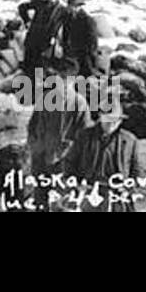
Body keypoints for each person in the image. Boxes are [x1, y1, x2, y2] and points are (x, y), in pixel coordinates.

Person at [26, 57, 92, 211]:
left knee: (63, 204)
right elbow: (33, 125)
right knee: (40, 202)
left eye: (65, 79)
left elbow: (85, 136)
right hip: (41, 159)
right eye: (58, 78)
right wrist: (35, 146)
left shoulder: (79, 104)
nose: (61, 83)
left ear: (73, 81)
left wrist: (71, 155)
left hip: (64, 162)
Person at [64, 102, 142, 212]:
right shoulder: (84, 136)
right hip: (89, 189)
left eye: (114, 120)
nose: (111, 123)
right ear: (100, 117)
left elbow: (136, 170)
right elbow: (69, 162)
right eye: (107, 119)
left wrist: (129, 189)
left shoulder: (130, 140)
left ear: (120, 121)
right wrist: (76, 184)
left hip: (117, 193)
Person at [20, 0, 65, 74]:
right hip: (33, 38)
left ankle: (37, 87)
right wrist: (27, 21)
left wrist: (55, 40)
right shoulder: (40, 3)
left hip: (47, 42)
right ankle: (25, 86)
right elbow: (22, 7)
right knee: (28, 66)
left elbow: (60, 27)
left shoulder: (61, 10)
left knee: (41, 68)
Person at [57, 0, 101, 77]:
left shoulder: (87, 20)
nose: (69, 7)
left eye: (72, 5)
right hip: (69, 55)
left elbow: (92, 43)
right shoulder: (67, 17)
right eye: (69, 4)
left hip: (83, 57)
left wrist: (92, 59)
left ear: (79, 6)